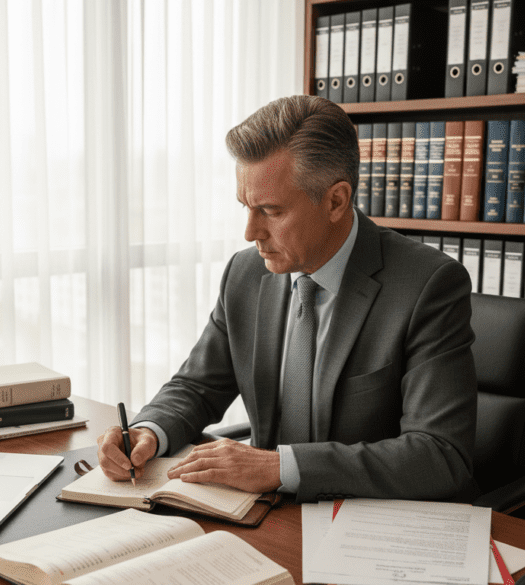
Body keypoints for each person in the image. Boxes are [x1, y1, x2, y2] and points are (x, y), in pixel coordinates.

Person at [96, 95, 478, 503]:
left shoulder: (427, 285)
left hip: (363, 527)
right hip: (262, 517)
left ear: (336, 201)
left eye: (271, 211)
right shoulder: (245, 274)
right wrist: (149, 430)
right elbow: (197, 386)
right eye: (246, 206)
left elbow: (439, 455)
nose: (250, 231)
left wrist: (280, 467)